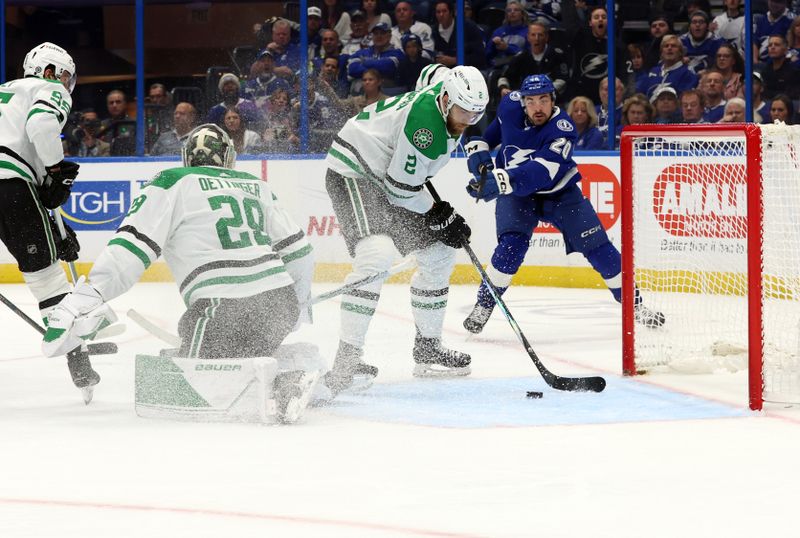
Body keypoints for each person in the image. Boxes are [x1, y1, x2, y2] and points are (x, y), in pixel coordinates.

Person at [42, 124, 318, 423]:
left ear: (187, 157)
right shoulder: (255, 184)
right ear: (228, 157)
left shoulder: (172, 181)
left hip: (221, 308)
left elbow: (130, 248)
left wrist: (88, 296)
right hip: (280, 303)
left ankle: (277, 385)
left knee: (174, 383)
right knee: (242, 345)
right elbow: (300, 253)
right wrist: (298, 305)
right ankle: (300, 366)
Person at [323, 65, 488, 394]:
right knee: (376, 256)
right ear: (444, 100)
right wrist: (441, 215)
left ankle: (428, 347)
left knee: (439, 251)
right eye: (461, 112)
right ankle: (346, 360)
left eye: (474, 115)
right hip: (355, 172)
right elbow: (400, 191)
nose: (466, 121)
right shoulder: (426, 125)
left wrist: (441, 218)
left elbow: (432, 70)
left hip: (387, 175)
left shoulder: (448, 94)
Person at [461, 74, 664, 335]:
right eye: (531, 101)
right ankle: (484, 305)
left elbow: (540, 172)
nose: (538, 107)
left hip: (559, 194)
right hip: (516, 194)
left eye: (543, 100)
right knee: (511, 247)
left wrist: (500, 180)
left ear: (553, 100)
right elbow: (496, 130)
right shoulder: (510, 104)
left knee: (600, 250)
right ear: (522, 101)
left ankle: (634, 306)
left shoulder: (562, 129)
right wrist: (479, 148)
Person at [0, 42, 94, 393]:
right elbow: (42, 127)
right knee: (47, 279)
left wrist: (58, 229)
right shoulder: (47, 88)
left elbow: (38, 187)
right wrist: (56, 168)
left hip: (13, 183)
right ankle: (78, 361)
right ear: (49, 70)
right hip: (10, 186)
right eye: (65, 76)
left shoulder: (5, 95)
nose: (66, 85)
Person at [497, 20, 570, 99]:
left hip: (551, 98)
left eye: (540, 35)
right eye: (533, 35)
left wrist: (545, 91)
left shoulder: (557, 55)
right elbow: (505, 77)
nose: (537, 39)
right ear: (528, 37)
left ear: (546, 37)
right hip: (526, 99)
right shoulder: (521, 57)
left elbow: (562, 79)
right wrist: (503, 88)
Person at [636, 34, 699, 100]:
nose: (669, 48)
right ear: (662, 53)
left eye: (673, 46)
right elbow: (640, 93)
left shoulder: (688, 74)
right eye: (666, 46)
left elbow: (684, 99)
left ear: (680, 52)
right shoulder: (653, 71)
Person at [430, 1, 486, 69]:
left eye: (444, 11)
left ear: (451, 12)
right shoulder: (433, 31)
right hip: (444, 72)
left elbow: (480, 57)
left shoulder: (468, 27)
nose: (441, 15)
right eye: (438, 12)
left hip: (468, 70)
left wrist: (455, 60)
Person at [679, 10, 724, 74]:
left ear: (707, 26)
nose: (697, 25)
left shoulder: (718, 42)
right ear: (689, 27)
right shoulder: (680, 42)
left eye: (701, 22)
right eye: (694, 22)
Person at [486, 1, 529, 68]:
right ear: (506, 15)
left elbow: (529, 54)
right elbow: (488, 54)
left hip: (521, 66)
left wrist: (507, 48)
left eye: (516, 10)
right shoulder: (499, 31)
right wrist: (493, 44)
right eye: (509, 10)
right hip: (499, 67)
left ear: (522, 14)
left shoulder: (528, 31)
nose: (512, 12)